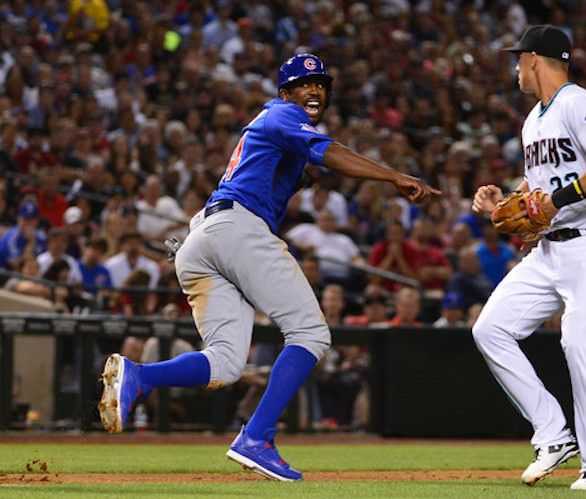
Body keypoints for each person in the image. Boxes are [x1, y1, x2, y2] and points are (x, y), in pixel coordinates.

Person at [98, 53, 439, 481]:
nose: (314, 90)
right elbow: (328, 151)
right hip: (236, 229)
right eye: (303, 84)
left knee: (225, 364)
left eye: (320, 85)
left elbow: (297, 167)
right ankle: (256, 437)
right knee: (311, 333)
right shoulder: (280, 115)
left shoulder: (279, 130)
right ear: (285, 93)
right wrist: (393, 176)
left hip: (205, 237)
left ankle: (139, 377)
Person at [471, 26, 586, 491]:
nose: (515, 67)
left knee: (579, 346)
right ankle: (553, 434)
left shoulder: (578, 102)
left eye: (518, 59)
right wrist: (505, 200)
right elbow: (537, 197)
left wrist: (555, 203)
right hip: (550, 249)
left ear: (534, 59)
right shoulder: (532, 121)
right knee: (491, 329)